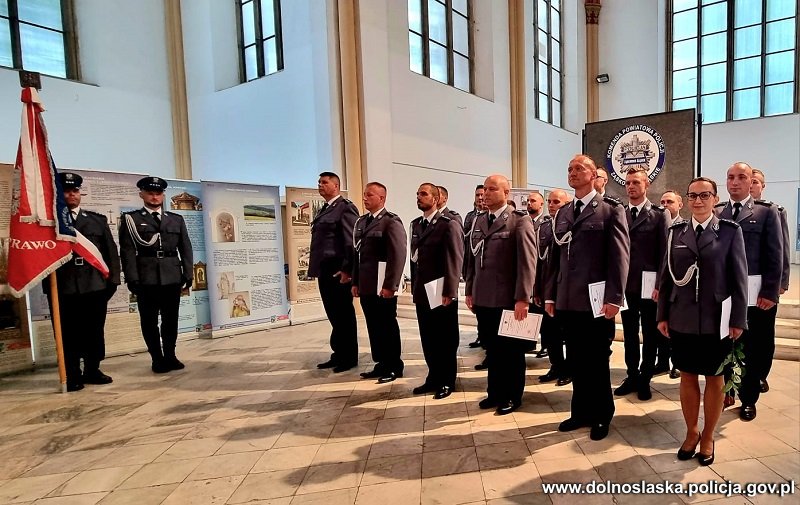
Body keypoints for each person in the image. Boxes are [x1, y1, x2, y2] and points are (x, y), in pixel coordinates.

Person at [657, 176, 748, 466]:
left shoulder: (730, 232)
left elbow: (739, 278)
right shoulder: (676, 232)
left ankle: (708, 435)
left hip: (716, 318)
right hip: (681, 315)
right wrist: (662, 314)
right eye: (693, 195)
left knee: (714, 376)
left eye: (704, 195)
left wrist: (738, 319)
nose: (698, 200)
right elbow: (666, 275)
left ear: (715, 199)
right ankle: (691, 432)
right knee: (687, 375)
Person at [545, 154, 629, 441]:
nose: (573, 172)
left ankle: (602, 414)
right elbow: (555, 259)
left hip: (596, 301)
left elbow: (619, 257)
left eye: (579, 168)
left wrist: (614, 297)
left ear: (594, 176)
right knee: (576, 359)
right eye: (570, 169)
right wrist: (550, 295)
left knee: (596, 360)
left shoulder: (610, 210)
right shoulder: (564, 213)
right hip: (568, 299)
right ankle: (579, 411)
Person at [714, 162, 783, 421]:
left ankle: (749, 398)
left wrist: (770, 292)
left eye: (741, 177)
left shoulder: (766, 212)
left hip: (755, 296)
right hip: (724, 295)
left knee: (753, 347)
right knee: (724, 344)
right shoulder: (718, 212)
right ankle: (726, 391)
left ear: (750, 181)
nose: (735, 182)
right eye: (730, 177)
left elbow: (775, 254)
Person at [465, 174, 537, 415]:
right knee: (492, 349)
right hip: (484, 298)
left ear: (506, 193)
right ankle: (494, 392)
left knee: (511, 352)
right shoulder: (479, 220)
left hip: (508, 299)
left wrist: (523, 298)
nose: (486, 193)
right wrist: (470, 290)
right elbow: (472, 260)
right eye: (484, 189)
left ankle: (512, 395)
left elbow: (527, 263)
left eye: (492, 189)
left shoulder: (519, 221)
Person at [46, 172, 120, 391]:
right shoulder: (50, 222)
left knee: (94, 330)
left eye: (75, 190)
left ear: (80, 193)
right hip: (63, 286)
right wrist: (47, 288)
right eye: (67, 191)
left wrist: (113, 282)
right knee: (67, 332)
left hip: (94, 285)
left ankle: (92, 369)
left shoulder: (96, 220)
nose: (72, 195)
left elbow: (110, 252)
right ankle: (72, 373)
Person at [119, 176, 193, 374]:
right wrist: (132, 278)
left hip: (172, 276)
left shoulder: (176, 219)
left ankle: (170, 355)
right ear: (141, 194)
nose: (154, 197)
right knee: (149, 321)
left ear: (163, 195)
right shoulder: (132, 219)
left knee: (171, 320)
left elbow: (185, 248)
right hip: (146, 278)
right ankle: (157, 359)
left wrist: (188, 273)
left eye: (158, 193)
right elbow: (127, 251)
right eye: (150, 193)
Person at [615, 168, 669, 401]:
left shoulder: (658, 214)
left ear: (646, 185)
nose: (631, 186)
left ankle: (645, 378)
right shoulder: (619, 213)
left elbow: (665, 253)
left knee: (649, 333)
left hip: (649, 287)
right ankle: (632, 375)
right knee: (629, 334)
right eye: (628, 182)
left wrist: (659, 284)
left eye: (636, 182)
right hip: (625, 286)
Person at [410, 184, 464, 399]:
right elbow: (414, 259)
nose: (419, 197)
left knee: (445, 339)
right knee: (428, 337)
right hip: (423, 290)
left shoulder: (448, 224)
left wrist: (450, 290)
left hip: (441, 290)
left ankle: (447, 380)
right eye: (417, 194)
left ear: (436, 198)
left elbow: (455, 259)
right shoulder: (416, 224)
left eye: (423, 194)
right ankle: (433, 376)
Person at [352, 182, 407, 383]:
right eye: (364, 194)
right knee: (373, 326)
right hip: (367, 285)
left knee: (387, 325)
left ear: (382, 198)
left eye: (370, 195)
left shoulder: (390, 222)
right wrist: (355, 282)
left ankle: (394, 365)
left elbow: (398, 256)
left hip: (382, 285)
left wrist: (390, 285)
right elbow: (358, 255)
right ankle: (381, 363)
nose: (365, 198)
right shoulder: (362, 222)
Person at [309, 172, 360, 373]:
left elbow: (351, 242)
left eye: (324, 182)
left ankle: (349, 357)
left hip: (337, 270)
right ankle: (338, 353)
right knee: (333, 314)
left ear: (336, 186)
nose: (320, 185)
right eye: (319, 182)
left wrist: (347, 269)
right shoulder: (325, 209)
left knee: (343, 314)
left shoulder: (345, 208)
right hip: (324, 270)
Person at [749, 168, 790, 394]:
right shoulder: (727, 211)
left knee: (763, 335)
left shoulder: (775, 211)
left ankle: (760, 374)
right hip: (741, 288)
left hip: (765, 285)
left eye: (755, 181)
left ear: (762, 186)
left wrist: (780, 284)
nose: (751, 185)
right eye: (749, 180)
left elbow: (782, 249)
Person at [533, 189, 571, 386]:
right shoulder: (545, 227)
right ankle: (557, 366)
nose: (551, 205)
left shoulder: (572, 223)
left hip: (566, 287)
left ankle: (570, 369)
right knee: (550, 332)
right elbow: (539, 262)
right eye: (549, 201)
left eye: (556, 202)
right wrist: (537, 290)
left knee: (568, 334)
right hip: (547, 287)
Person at [659, 190, 685, 379]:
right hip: (661, 283)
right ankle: (662, 362)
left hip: (679, 286)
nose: (665, 205)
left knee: (677, 327)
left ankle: (677, 363)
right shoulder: (658, 222)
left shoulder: (685, 227)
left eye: (669, 201)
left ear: (680, 205)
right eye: (662, 202)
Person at [526, 191, 548, 358]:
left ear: (541, 204)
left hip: (541, 276)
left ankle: (546, 345)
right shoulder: (523, 222)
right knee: (529, 313)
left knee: (544, 317)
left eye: (533, 201)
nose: (529, 203)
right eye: (527, 201)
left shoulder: (545, 224)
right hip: (528, 276)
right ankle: (529, 342)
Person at [464, 184, 485, 349]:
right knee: (477, 306)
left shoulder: (488, 217)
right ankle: (481, 335)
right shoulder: (470, 217)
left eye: (482, 194)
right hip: (471, 265)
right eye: (477, 195)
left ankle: (485, 337)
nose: (480, 198)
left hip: (485, 267)